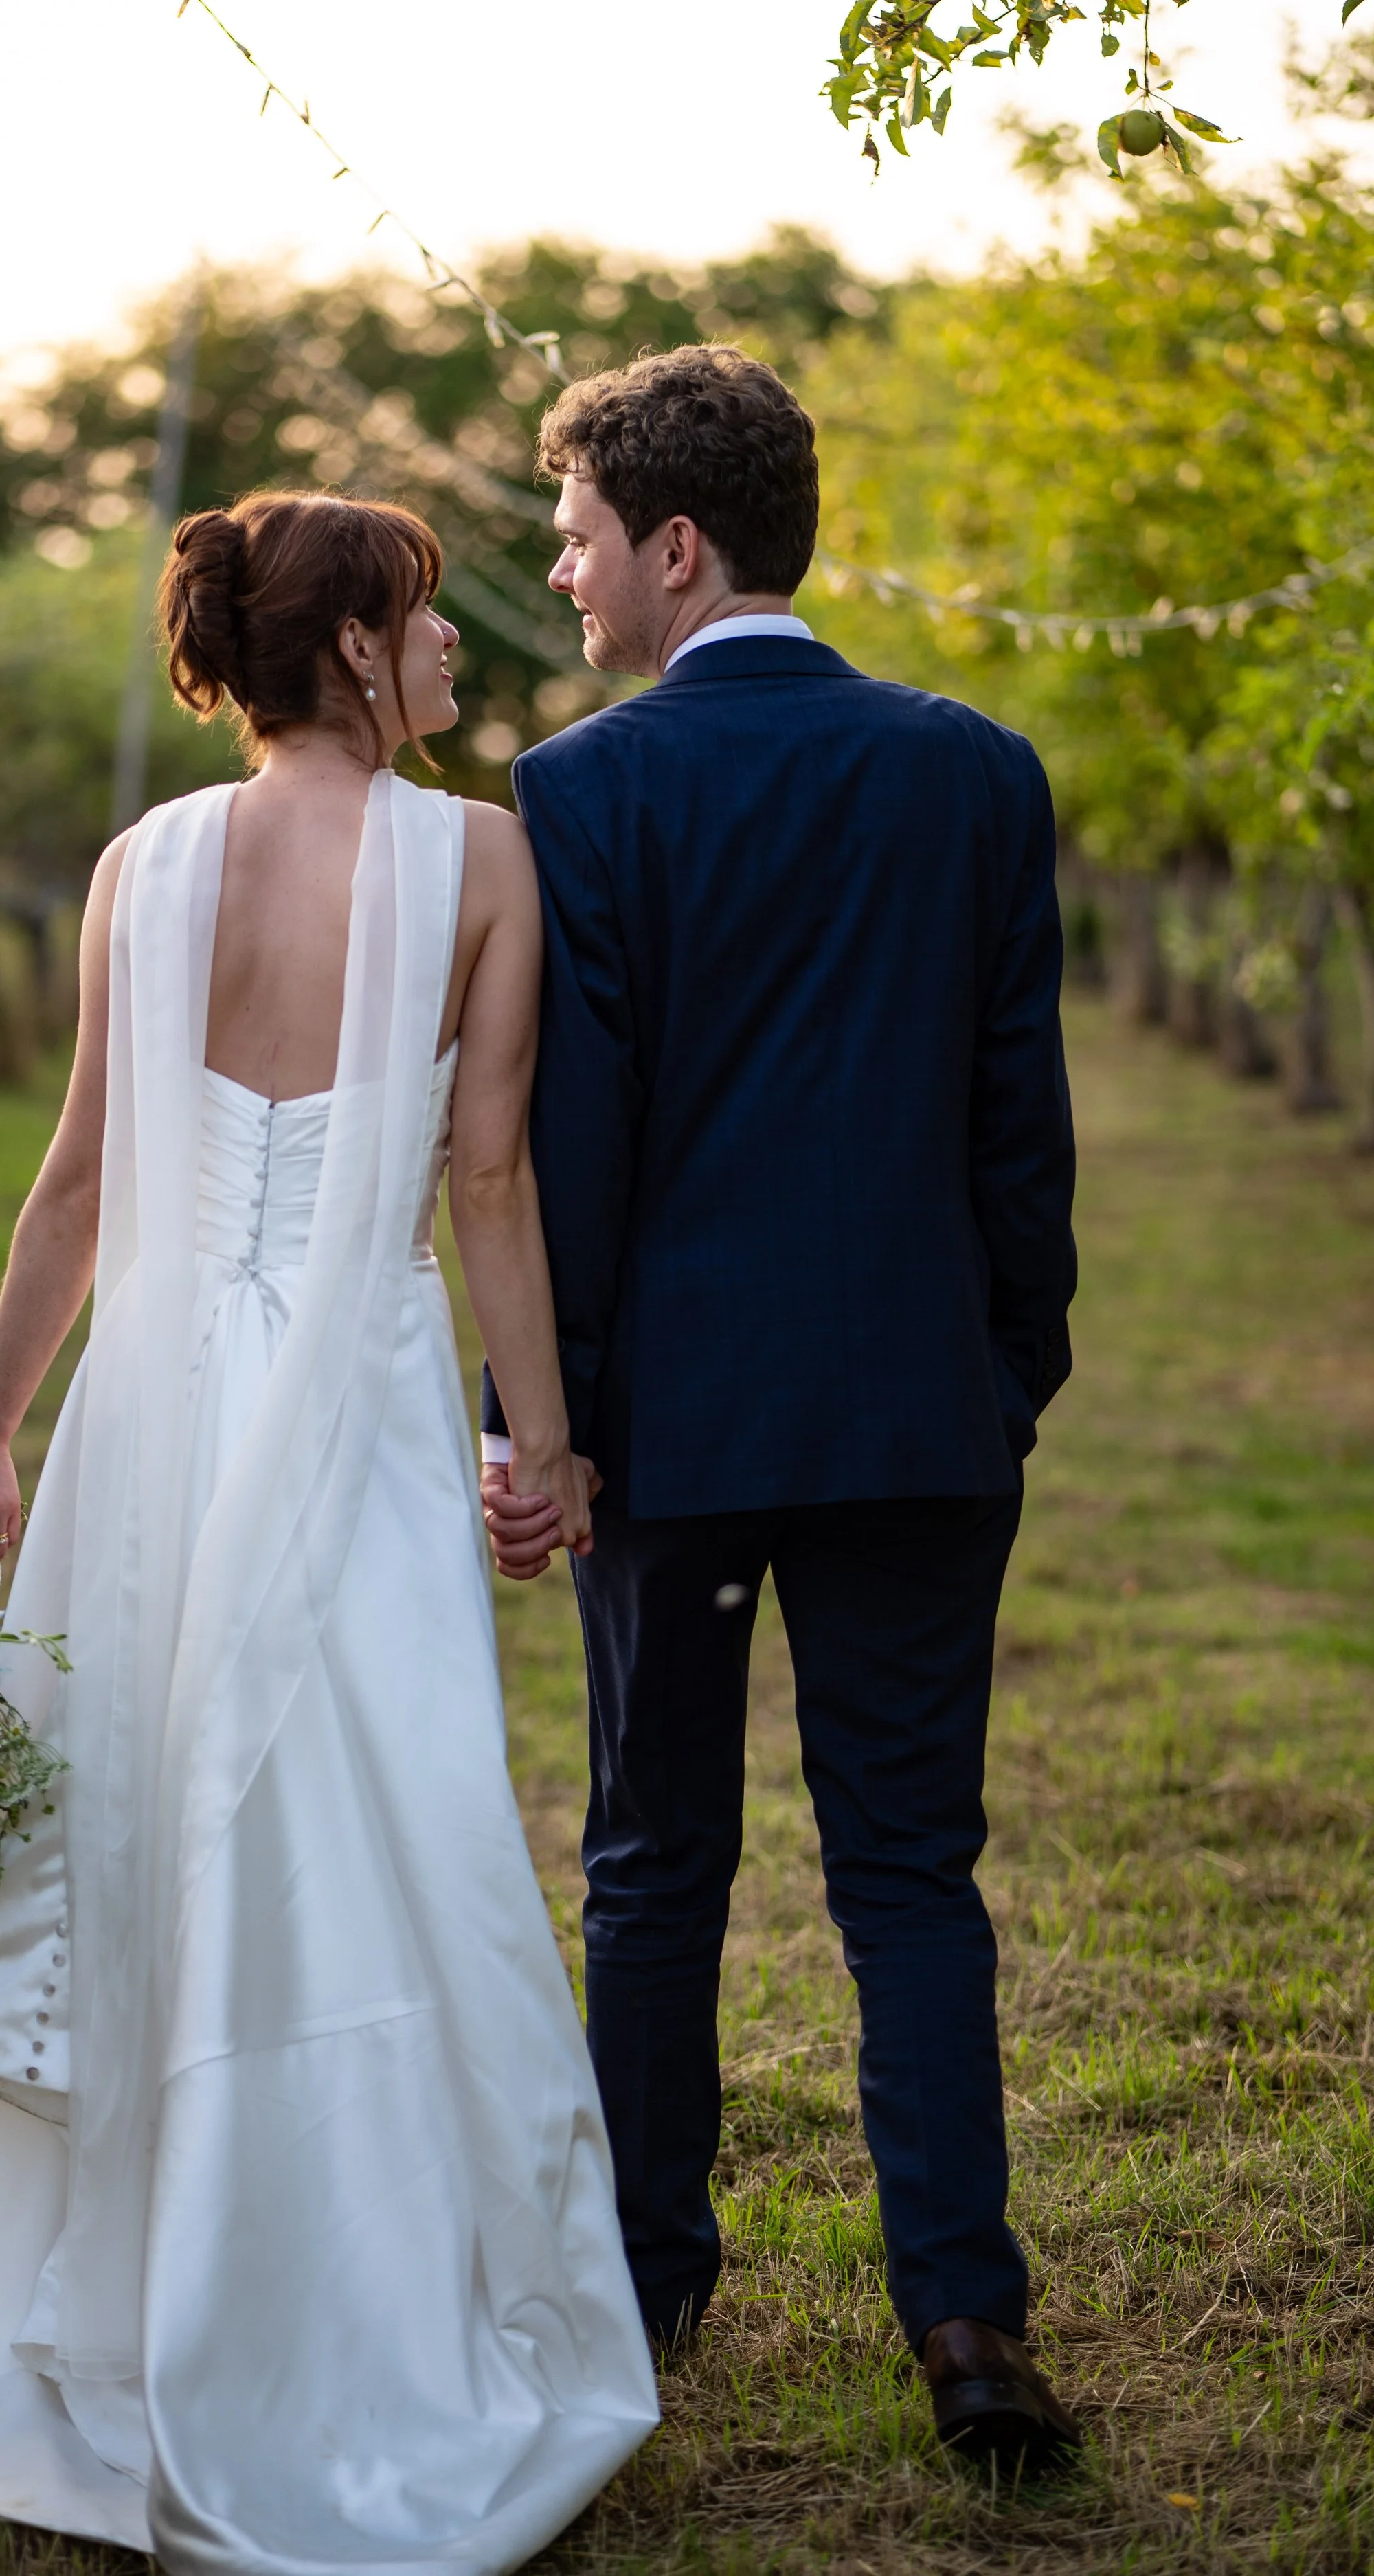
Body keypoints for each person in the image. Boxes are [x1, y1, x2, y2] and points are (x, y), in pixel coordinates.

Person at [0, 490, 658, 2573]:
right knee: (371, 1809)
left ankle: (103, 2298)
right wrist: (538, 1442)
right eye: (431, 617)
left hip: (160, 1400)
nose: (466, 642)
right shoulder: (482, 856)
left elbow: (80, 1179)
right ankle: (323, 2300)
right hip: (363, 1402)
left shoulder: (150, 859)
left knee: (121, 1805)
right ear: (362, 646)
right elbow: (485, 1182)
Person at [479, 346, 1081, 2468]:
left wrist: (542, 1420)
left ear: (672, 544)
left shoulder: (581, 793)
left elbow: (576, 1146)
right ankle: (965, 2322)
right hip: (922, 1409)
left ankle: (642, 2292)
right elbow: (1022, 1123)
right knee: (912, 1870)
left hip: (669, 1431)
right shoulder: (977, 769)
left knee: (654, 1861)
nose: (558, 582)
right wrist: (1012, 1367)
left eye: (570, 542)